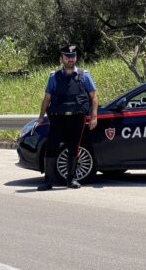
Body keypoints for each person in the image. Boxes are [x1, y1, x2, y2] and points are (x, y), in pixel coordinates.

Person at [36, 44, 98, 190]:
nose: (71, 59)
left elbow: (94, 98)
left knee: (74, 147)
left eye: (73, 57)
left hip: (77, 118)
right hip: (58, 118)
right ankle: (48, 181)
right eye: (67, 57)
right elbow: (47, 99)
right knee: (51, 147)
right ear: (61, 58)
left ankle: (71, 180)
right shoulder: (54, 77)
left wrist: (94, 117)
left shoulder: (84, 76)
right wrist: (40, 117)